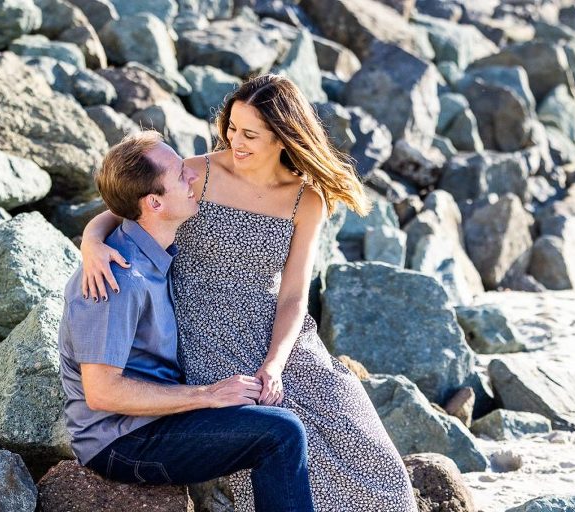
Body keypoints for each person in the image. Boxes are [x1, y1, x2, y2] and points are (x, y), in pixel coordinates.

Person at [81, 74, 417, 511]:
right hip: (203, 335)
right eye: (232, 128)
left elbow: (295, 295)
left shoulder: (305, 200)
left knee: (367, 452)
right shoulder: (197, 172)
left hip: (278, 335)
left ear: (282, 136)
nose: (234, 141)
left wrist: (275, 365)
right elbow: (125, 206)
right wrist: (91, 243)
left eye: (250, 134)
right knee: (277, 440)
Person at [58, 130, 315, 512]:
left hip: (151, 420)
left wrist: (90, 236)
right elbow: (102, 393)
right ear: (155, 203)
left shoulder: (154, 251)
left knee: (286, 415)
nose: (193, 175)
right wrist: (208, 396)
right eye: (181, 174)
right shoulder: (119, 278)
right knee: (281, 433)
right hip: (121, 441)